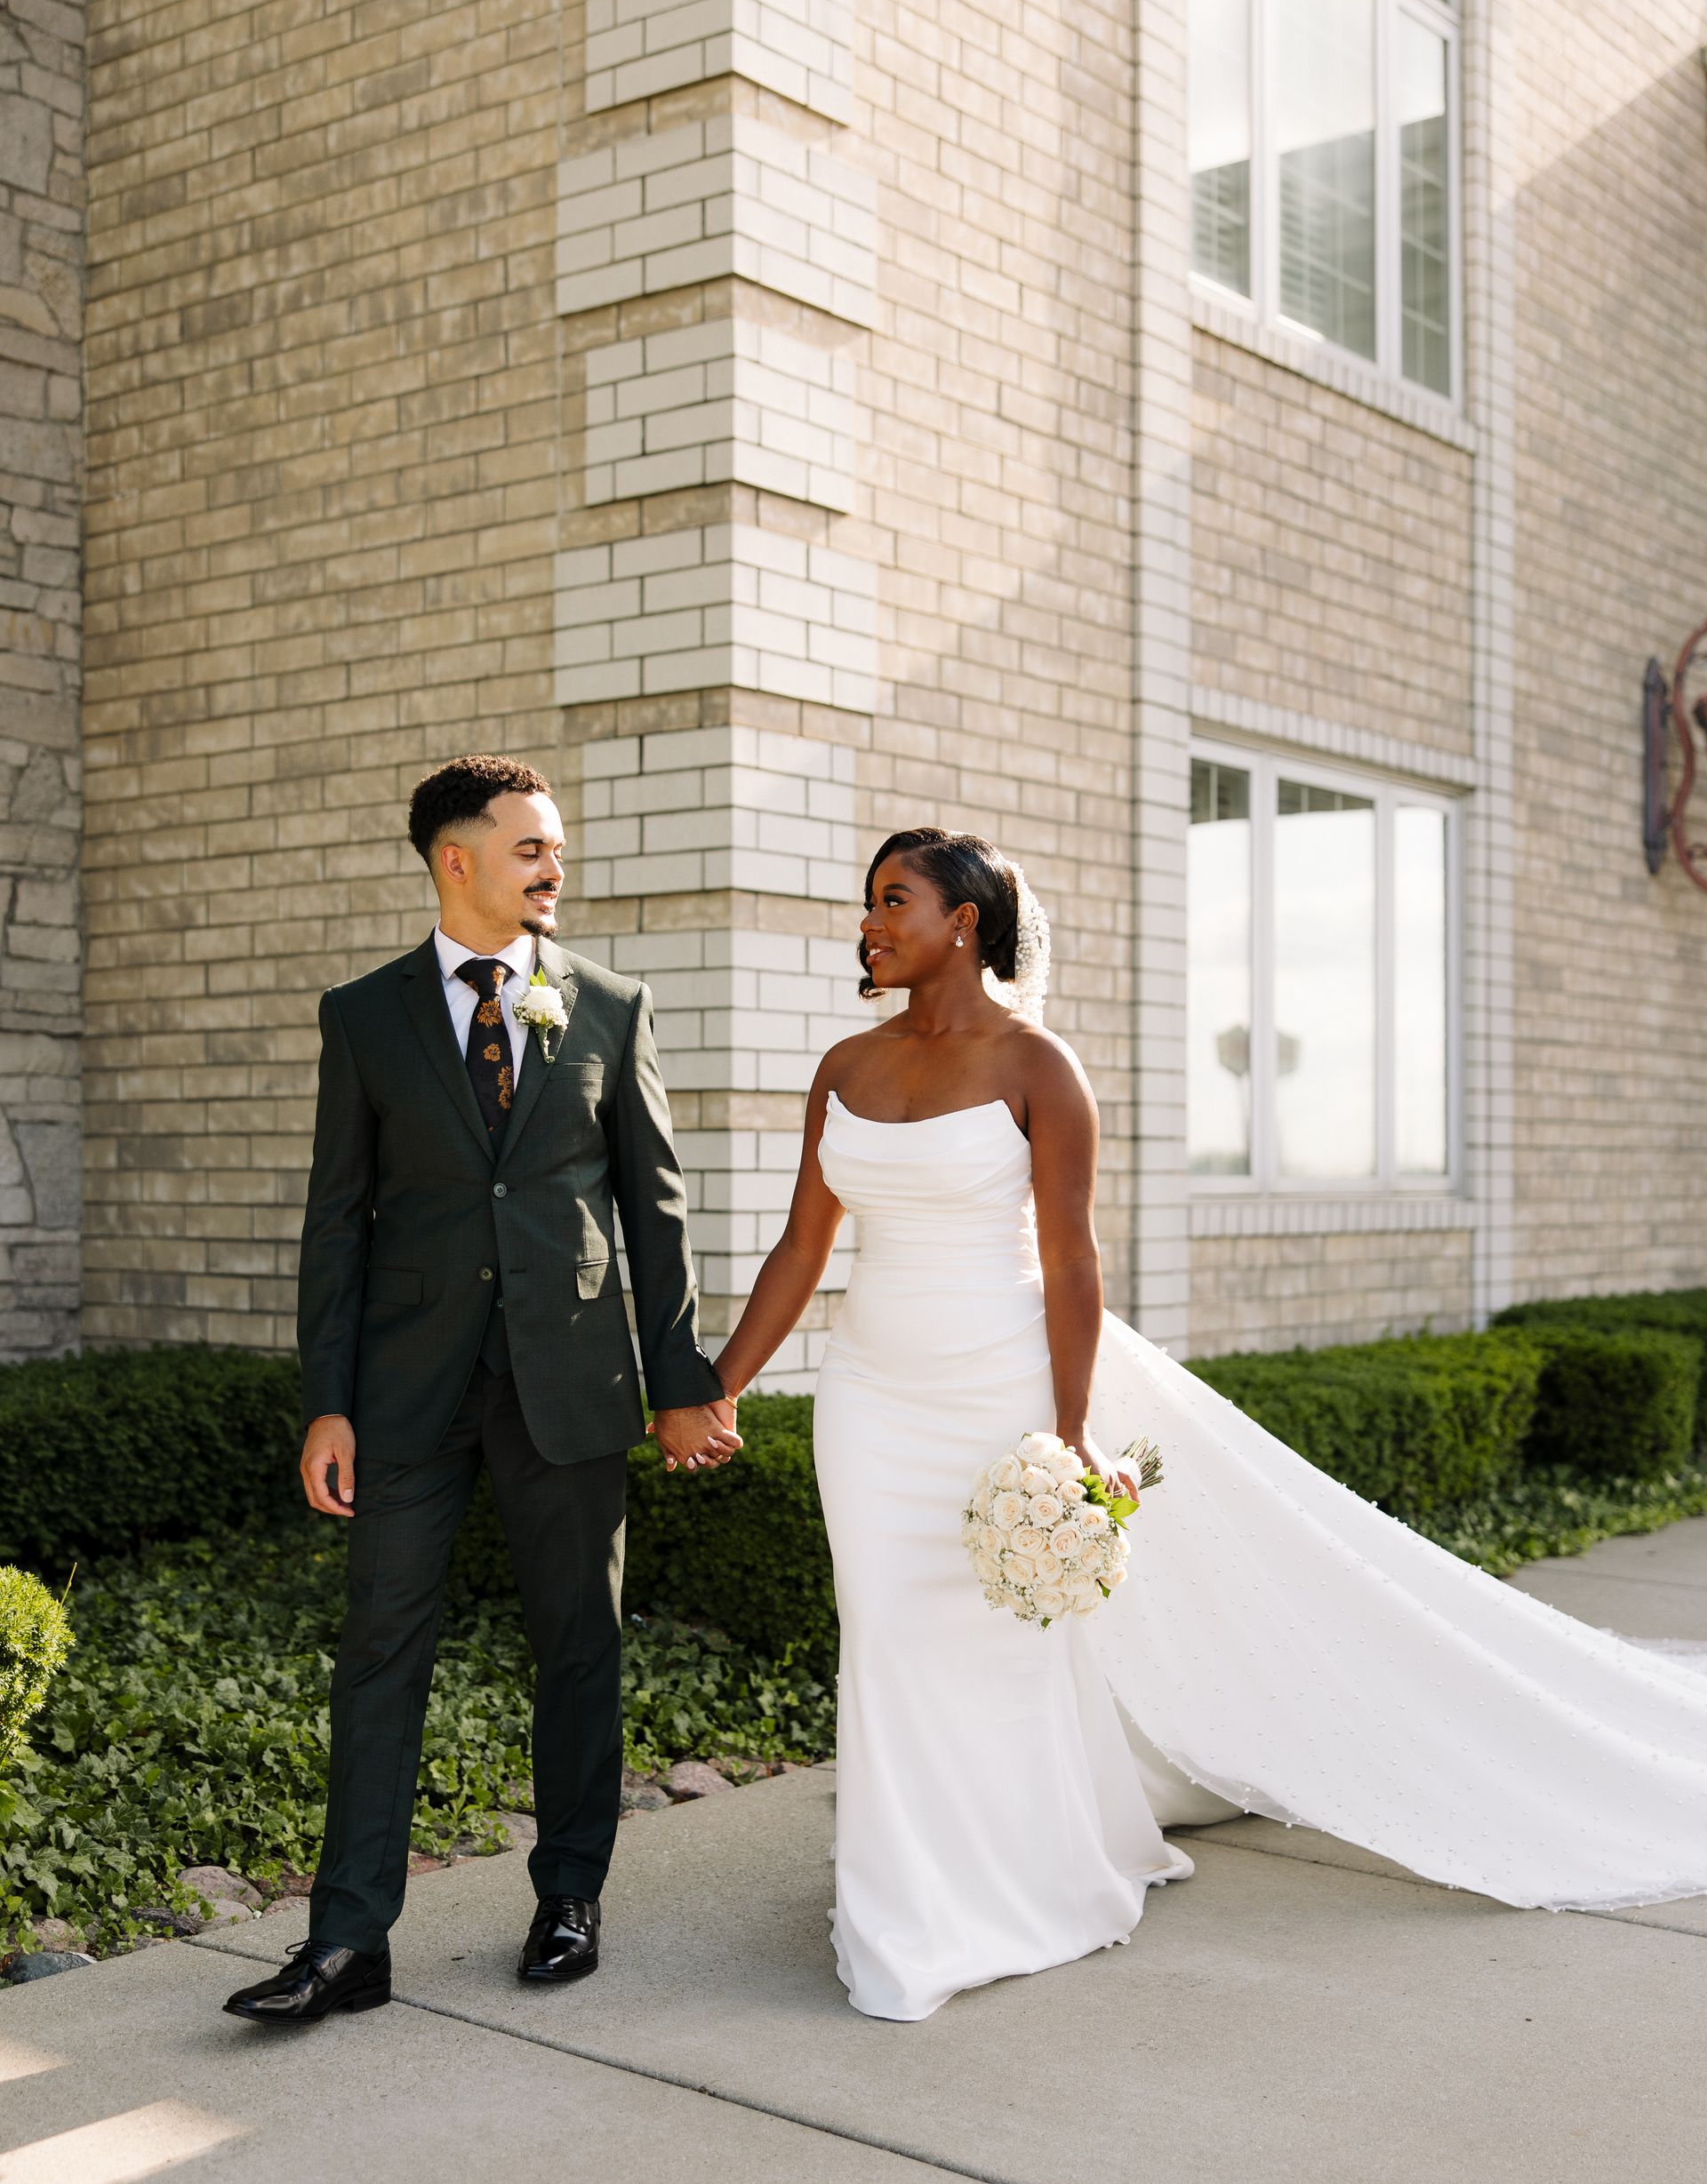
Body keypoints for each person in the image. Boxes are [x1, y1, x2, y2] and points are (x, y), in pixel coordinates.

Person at [712, 828, 1707, 2022]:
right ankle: (907, 1898)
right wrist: (720, 1385)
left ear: (963, 923)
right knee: (886, 1637)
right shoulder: (842, 1068)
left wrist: (1069, 1435)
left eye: (892, 900)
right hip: (870, 1400)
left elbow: (1073, 1262)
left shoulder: (1039, 1068)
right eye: (868, 902)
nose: (868, 922)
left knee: (999, 1639)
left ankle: (1015, 1874)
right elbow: (800, 1249)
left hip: (998, 1390)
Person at [224, 755, 739, 2026]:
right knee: (379, 1655)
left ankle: (570, 1894)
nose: (554, 867)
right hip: (407, 1391)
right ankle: (349, 1943)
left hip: (568, 1382)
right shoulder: (364, 1014)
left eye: (555, 849)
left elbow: (654, 1213)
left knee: (579, 1645)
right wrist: (327, 1400)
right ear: (456, 859)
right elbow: (335, 1221)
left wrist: (681, 1379)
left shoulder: (611, 1005)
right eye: (530, 849)